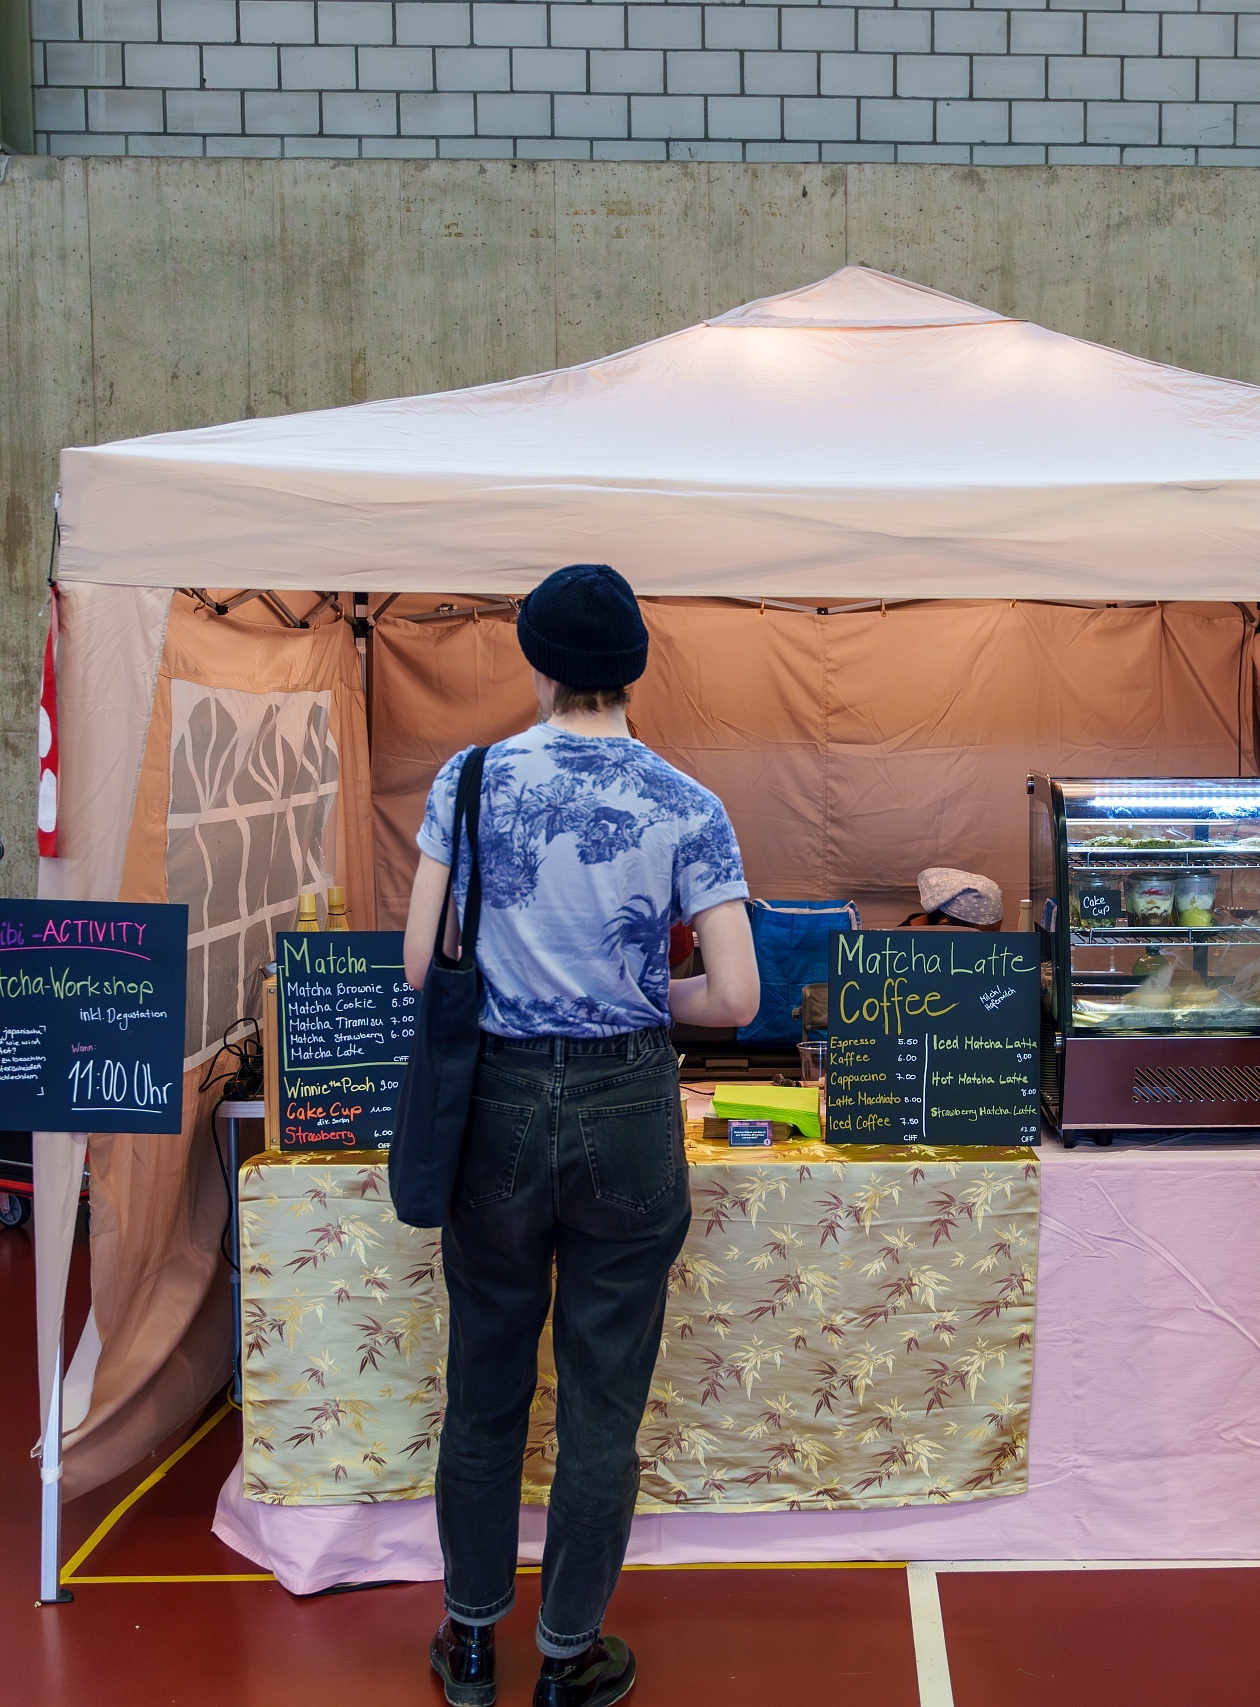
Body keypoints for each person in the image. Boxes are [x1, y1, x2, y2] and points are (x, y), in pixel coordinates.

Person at [403, 564, 760, 1707]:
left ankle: (469, 1642)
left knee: (484, 1385)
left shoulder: (470, 781)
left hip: (496, 1107)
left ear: (540, 662)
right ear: (633, 669)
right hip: (627, 1109)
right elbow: (736, 997)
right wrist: (650, 997)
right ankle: (568, 1655)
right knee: (603, 1402)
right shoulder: (687, 803)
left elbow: (421, 965)